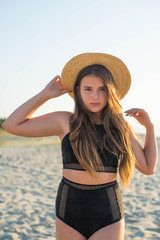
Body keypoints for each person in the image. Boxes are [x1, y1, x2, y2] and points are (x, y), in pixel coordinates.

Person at [2, 53, 157, 240]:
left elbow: (148, 168)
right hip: (69, 209)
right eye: (88, 89)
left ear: (111, 91)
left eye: (102, 89)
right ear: (77, 91)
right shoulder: (65, 121)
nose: (95, 96)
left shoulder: (120, 127)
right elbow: (11, 125)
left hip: (107, 212)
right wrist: (45, 95)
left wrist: (149, 127)